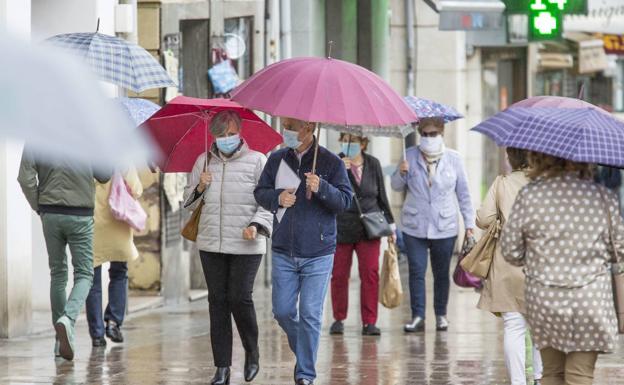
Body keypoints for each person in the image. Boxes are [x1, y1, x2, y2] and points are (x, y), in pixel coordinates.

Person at [502, 152, 622, 385]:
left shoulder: (530, 195)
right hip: (590, 301)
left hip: (545, 300)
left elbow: (510, 252)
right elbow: (620, 250)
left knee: (552, 373)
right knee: (580, 375)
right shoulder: (602, 197)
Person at [254, 118, 352, 385]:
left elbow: (345, 201)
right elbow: (259, 192)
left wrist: (322, 188)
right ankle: (306, 353)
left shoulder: (331, 162)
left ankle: (305, 373)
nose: (285, 130)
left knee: (310, 313)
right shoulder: (276, 159)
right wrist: (277, 198)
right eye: (284, 124)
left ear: (309, 128)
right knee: (283, 310)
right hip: (284, 249)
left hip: (319, 251)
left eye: (291, 125)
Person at [183, 110, 273, 385]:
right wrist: (199, 186)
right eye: (221, 135)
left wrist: (256, 226)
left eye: (231, 134)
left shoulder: (258, 161)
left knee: (239, 297)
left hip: (246, 242)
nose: (226, 139)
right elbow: (187, 202)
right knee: (217, 302)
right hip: (211, 243)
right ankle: (222, 367)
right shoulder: (203, 161)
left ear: (240, 133)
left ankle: (252, 351)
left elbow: (268, 202)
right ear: (213, 136)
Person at [17, 148, 111, 361]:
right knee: (85, 274)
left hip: (50, 212)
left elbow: (24, 177)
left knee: (58, 274)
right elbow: (105, 175)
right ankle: (68, 319)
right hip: (80, 214)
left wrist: (38, 206)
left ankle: (60, 343)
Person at [391, 117, 475, 333]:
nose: (429, 138)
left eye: (433, 134)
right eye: (425, 134)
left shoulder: (454, 159)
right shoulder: (409, 155)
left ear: (441, 133)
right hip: (414, 225)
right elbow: (395, 186)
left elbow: (464, 195)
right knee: (417, 271)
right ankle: (418, 316)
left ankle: (441, 315)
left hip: (444, 226)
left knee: (440, 273)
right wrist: (401, 172)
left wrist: (469, 225)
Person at [476, 148, 542, 385]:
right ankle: (538, 377)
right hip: (539, 261)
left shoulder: (501, 184)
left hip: (507, 261)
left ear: (512, 158)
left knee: (513, 325)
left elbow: (483, 219)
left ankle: (518, 381)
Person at [329, 133, 395, 336]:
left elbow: (381, 195)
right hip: (343, 226)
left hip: (370, 228)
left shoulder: (373, 164)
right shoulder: (336, 162)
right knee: (339, 275)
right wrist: (341, 171)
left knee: (370, 274)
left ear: (363, 143)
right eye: (344, 140)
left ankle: (369, 321)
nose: (348, 144)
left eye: (353, 141)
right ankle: (338, 318)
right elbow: (330, 194)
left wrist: (391, 226)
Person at [85, 168, 143, 347]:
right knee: (119, 274)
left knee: (91, 280)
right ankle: (113, 323)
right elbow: (136, 189)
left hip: (91, 222)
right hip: (117, 221)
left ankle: (97, 334)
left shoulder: (82, 155)